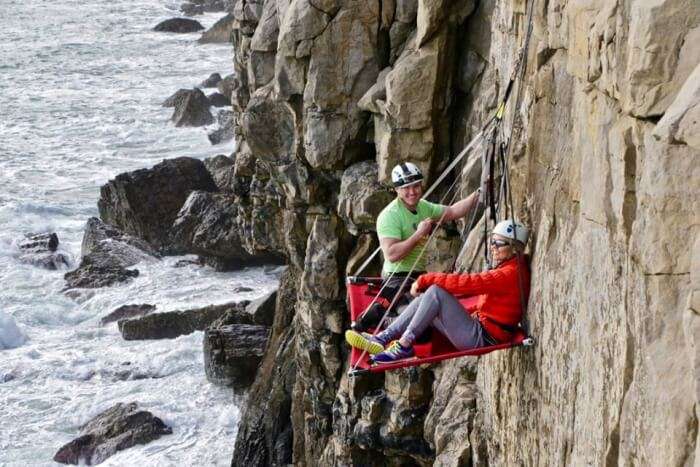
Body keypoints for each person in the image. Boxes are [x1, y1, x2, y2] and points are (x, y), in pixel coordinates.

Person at [346, 219, 531, 363]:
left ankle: (403, 345)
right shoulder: (510, 267)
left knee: (435, 292)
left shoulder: (508, 273)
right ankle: (382, 338)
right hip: (479, 328)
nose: (492, 247)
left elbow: (467, 283)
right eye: (492, 241)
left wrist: (426, 279)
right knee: (428, 299)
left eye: (498, 243)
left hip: (481, 337)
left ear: (514, 248)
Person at [351, 162, 480, 332]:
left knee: (429, 316)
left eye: (416, 186)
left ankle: (386, 314)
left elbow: (453, 211)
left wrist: (477, 194)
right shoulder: (390, 216)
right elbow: (392, 254)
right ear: (397, 190)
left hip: (418, 277)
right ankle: (381, 320)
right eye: (406, 188)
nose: (412, 191)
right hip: (396, 278)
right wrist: (419, 234)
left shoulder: (424, 207)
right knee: (421, 324)